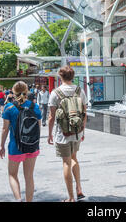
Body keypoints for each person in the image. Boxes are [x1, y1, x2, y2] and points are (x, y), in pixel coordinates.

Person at [48, 66, 87, 202]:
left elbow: (51, 117)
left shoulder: (55, 93)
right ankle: (79, 189)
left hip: (62, 134)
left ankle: (71, 197)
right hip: (77, 132)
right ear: (72, 76)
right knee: (74, 158)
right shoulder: (79, 91)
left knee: (66, 163)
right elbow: (84, 113)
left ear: (61, 77)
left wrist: (49, 134)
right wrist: (82, 131)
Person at [0, 81, 42, 202]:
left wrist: (2, 146)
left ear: (13, 92)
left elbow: (5, 129)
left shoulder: (9, 107)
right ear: (27, 91)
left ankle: (18, 199)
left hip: (15, 146)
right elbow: (38, 127)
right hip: (32, 145)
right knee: (29, 177)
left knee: (12, 174)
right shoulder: (35, 107)